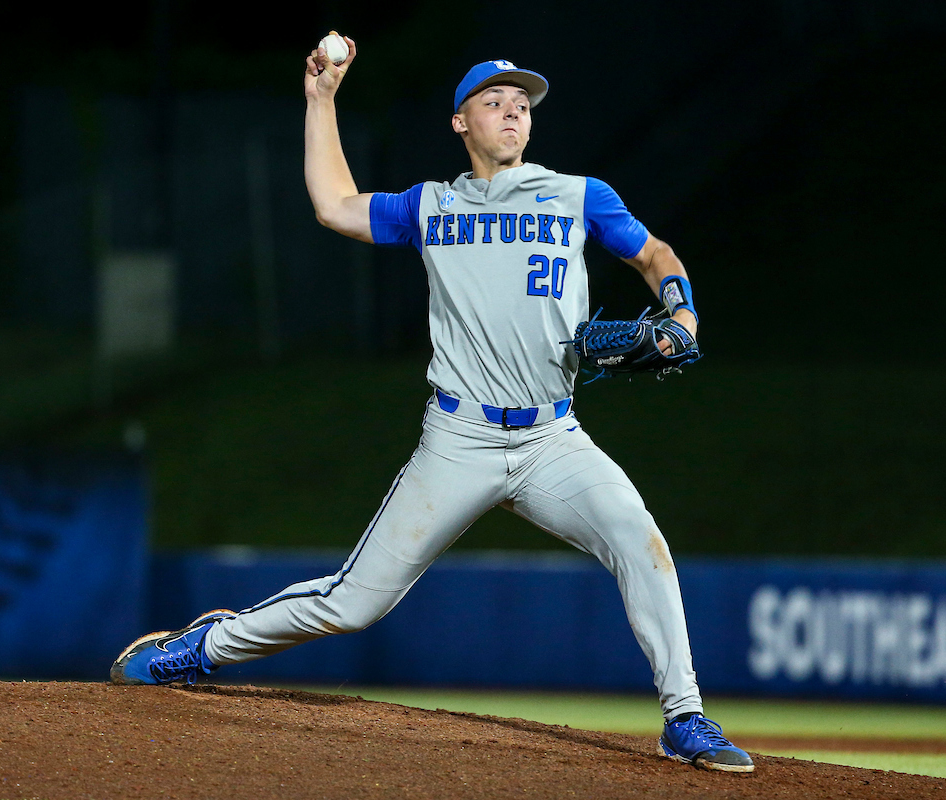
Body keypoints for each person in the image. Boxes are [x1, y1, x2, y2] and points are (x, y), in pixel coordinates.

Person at [111, 34, 754, 773]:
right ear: (460, 123)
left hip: (553, 438)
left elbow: (654, 255)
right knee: (354, 605)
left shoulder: (580, 195)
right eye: (494, 102)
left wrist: (681, 311)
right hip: (459, 438)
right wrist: (321, 99)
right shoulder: (432, 206)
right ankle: (199, 648)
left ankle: (685, 718)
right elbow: (335, 206)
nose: (513, 112)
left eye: (523, 104)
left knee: (641, 543)